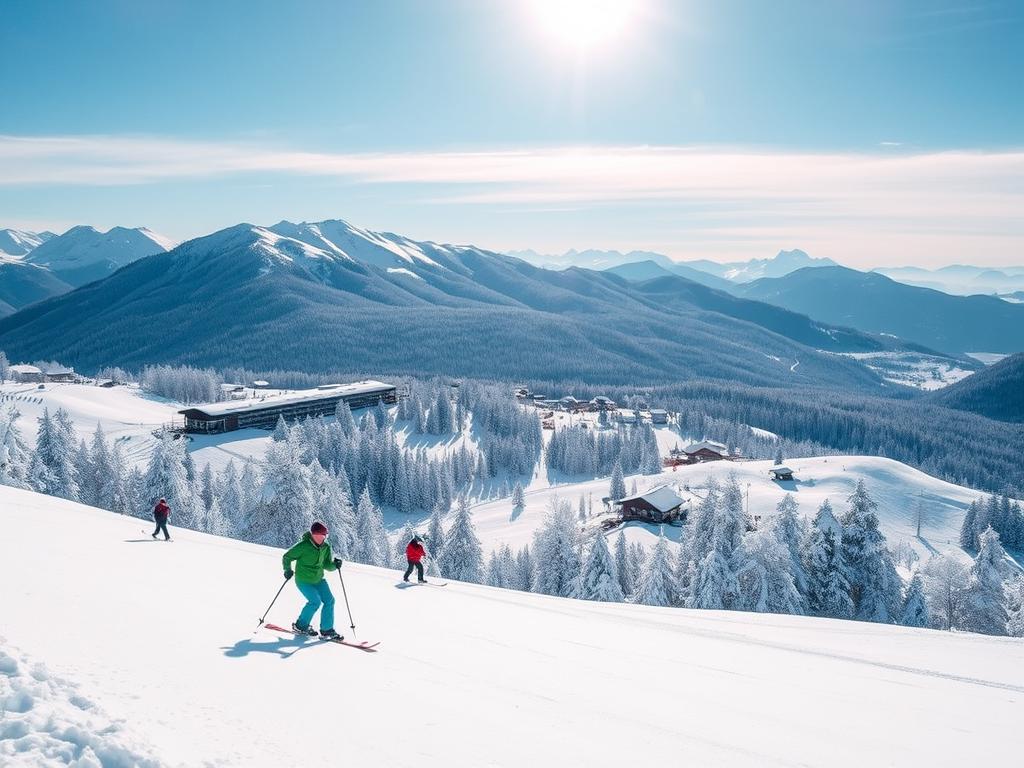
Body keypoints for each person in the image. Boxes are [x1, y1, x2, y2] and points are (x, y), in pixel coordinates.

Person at [282, 522, 344, 639]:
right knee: (315, 601)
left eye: (325, 536)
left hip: (319, 580)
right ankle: (300, 626)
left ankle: (327, 630)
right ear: (314, 535)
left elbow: (326, 564)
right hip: (303, 581)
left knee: (329, 600)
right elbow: (287, 557)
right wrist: (287, 570)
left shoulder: (326, 547)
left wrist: (335, 565)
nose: (323, 538)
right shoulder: (303, 546)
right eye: (321, 535)